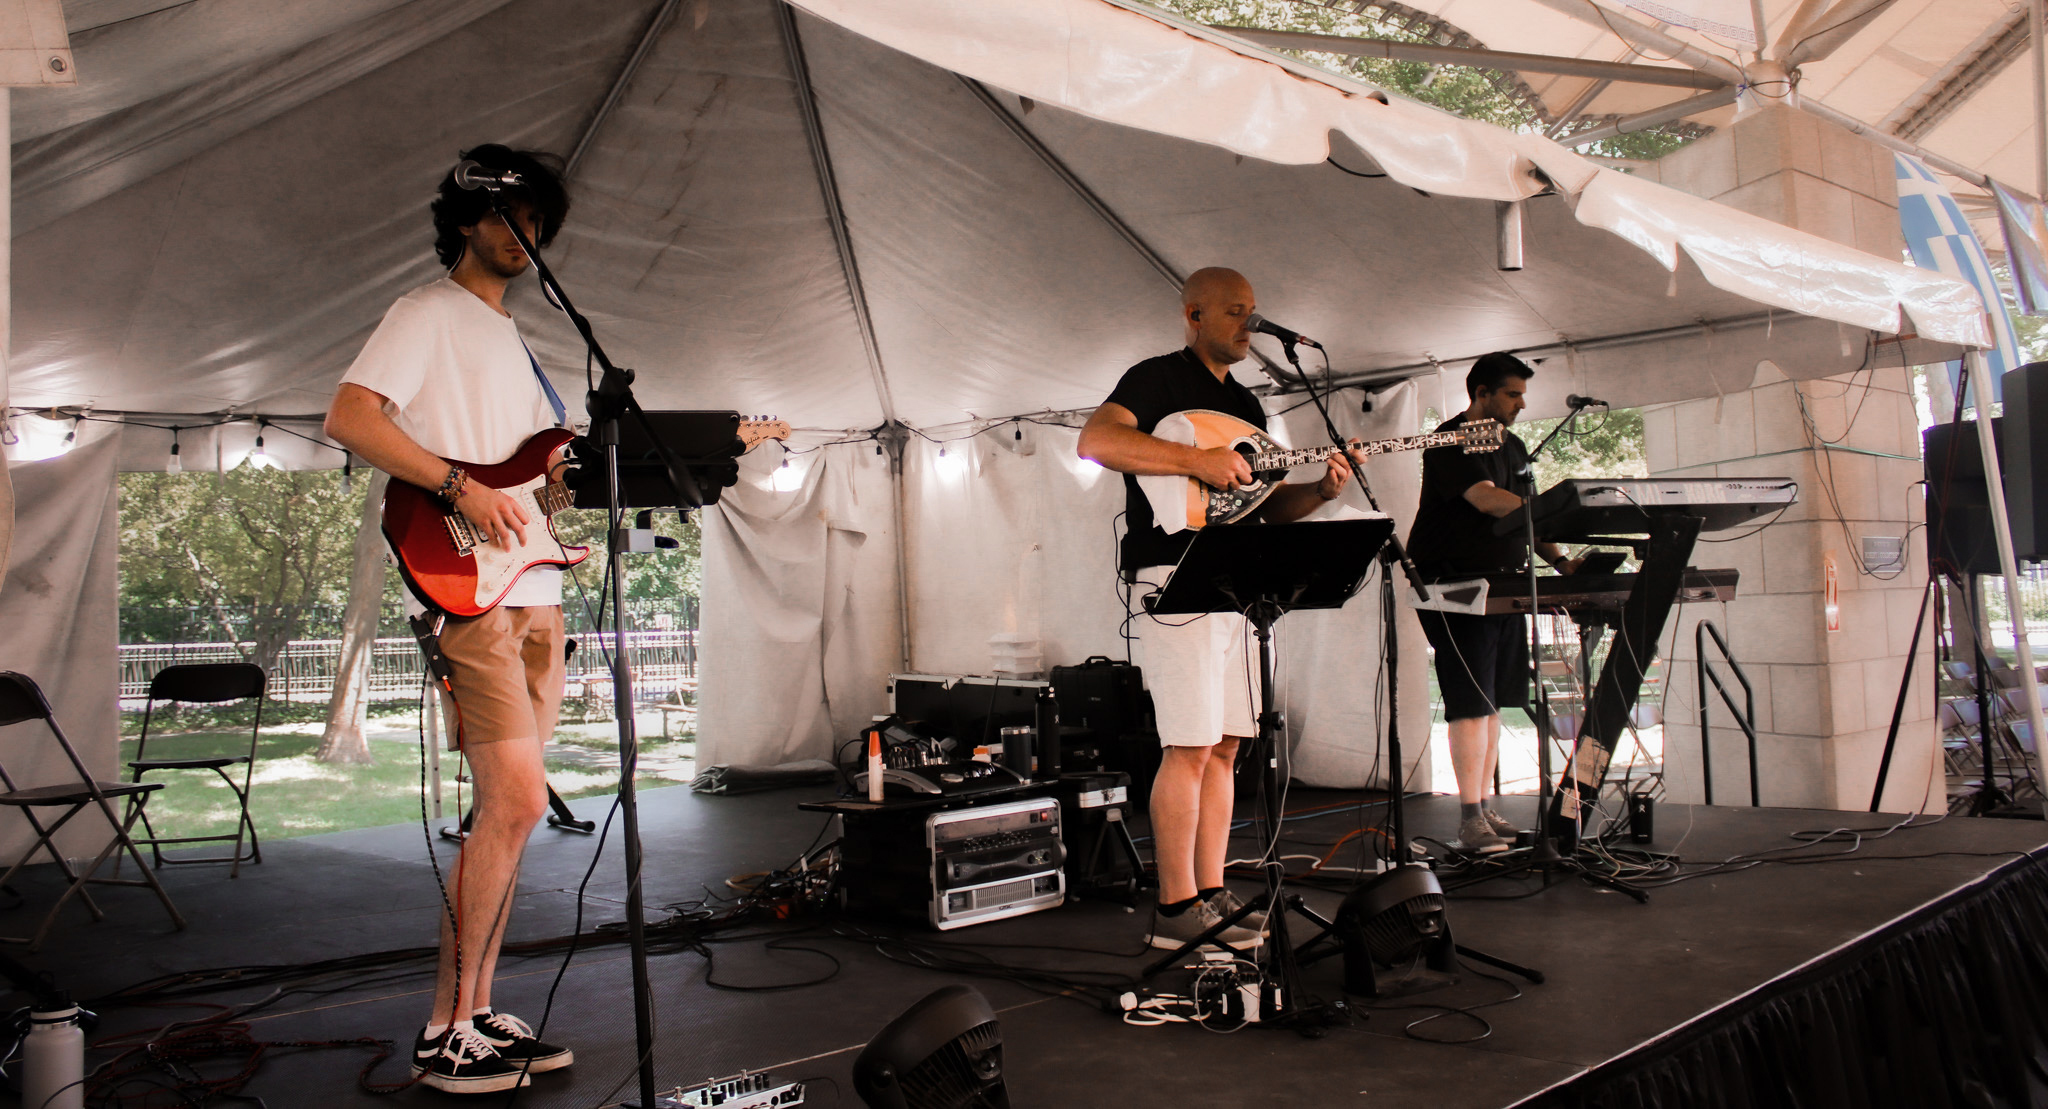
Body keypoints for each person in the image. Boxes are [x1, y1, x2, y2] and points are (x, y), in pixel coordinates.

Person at [324, 145, 576, 1095]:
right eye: (507, 215)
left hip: (535, 592)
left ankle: (475, 1010)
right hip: (473, 597)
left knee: (509, 819)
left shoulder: (517, 346)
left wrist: (550, 495)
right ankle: (442, 1028)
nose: (523, 233)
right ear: (467, 221)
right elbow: (350, 416)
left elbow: (527, 479)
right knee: (512, 803)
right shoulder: (424, 311)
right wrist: (460, 485)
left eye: (535, 219)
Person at [1077, 267, 1355, 950]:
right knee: (1190, 742)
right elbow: (1098, 442)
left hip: (1236, 577)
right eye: (1235, 311)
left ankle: (1210, 890)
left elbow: (1262, 505)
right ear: (1193, 314)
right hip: (1173, 574)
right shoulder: (1156, 378)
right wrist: (1191, 461)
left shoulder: (1252, 411)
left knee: (1228, 745)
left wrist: (1318, 491)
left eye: (1254, 312)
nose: (1248, 324)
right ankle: (1175, 908)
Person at [1405, 352, 1577, 855]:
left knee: (1493, 702)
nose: (1521, 404)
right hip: (1453, 586)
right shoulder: (1449, 440)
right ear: (1481, 392)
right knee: (1469, 702)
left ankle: (1482, 808)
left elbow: (1532, 518)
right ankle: (1468, 818)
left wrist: (1565, 563)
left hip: (1504, 586)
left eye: (1523, 395)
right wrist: (1555, 513)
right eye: (1513, 394)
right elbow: (1487, 499)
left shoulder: (1516, 445)